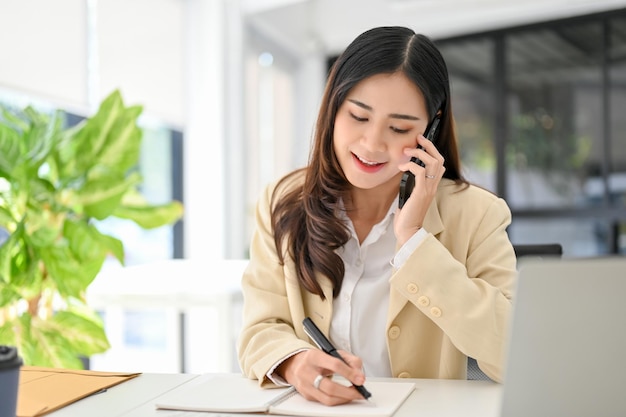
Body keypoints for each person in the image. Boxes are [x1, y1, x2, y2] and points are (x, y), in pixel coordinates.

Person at [237, 26, 517, 406]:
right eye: (358, 116)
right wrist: (294, 362)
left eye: (399, 127)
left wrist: (414, 238)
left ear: (431, 128)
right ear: (333, 108)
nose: (372, 144)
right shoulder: (283, 201)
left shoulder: (477, 213)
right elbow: (260, 328)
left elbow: (514, 352)